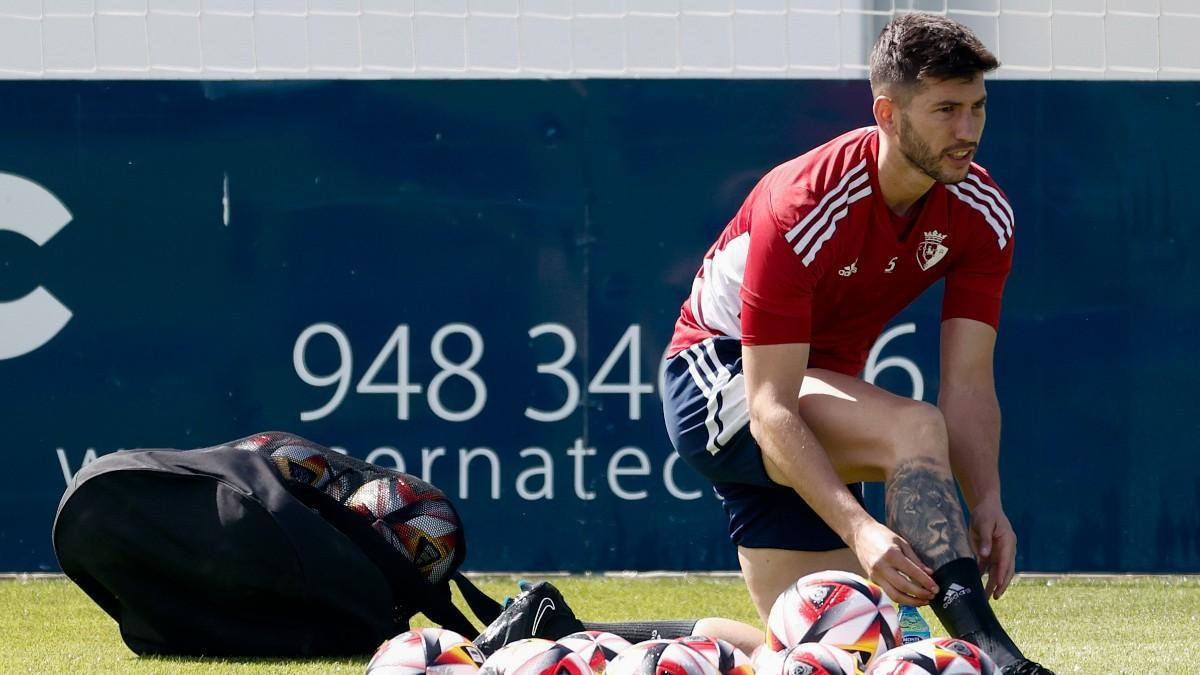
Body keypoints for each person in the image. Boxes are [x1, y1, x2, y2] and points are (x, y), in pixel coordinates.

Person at [656, 11, 1053, 675]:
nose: (968, 132)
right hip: (721, 385)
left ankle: (554, 630)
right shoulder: (805, 201)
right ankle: (1000, 659)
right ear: (888, 114)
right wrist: (860, 528)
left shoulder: (983, 214)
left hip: (803, 402)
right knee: (913, 425)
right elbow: (770, 407)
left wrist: (986, 499)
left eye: (978, 109)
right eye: (946, 110)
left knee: (839, 649)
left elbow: (968, 383)